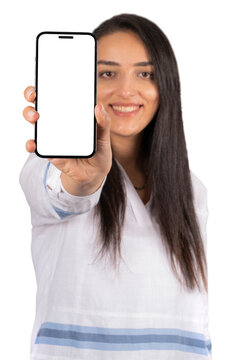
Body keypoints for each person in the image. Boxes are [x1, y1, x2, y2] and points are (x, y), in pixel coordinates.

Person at [20, 13, 212, 360]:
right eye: (107, 73)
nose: (126, 90)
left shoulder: (192, 193)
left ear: (165, 84)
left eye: (145, 73)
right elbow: (67, 192)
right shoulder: (50, 167)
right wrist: (87, 178)